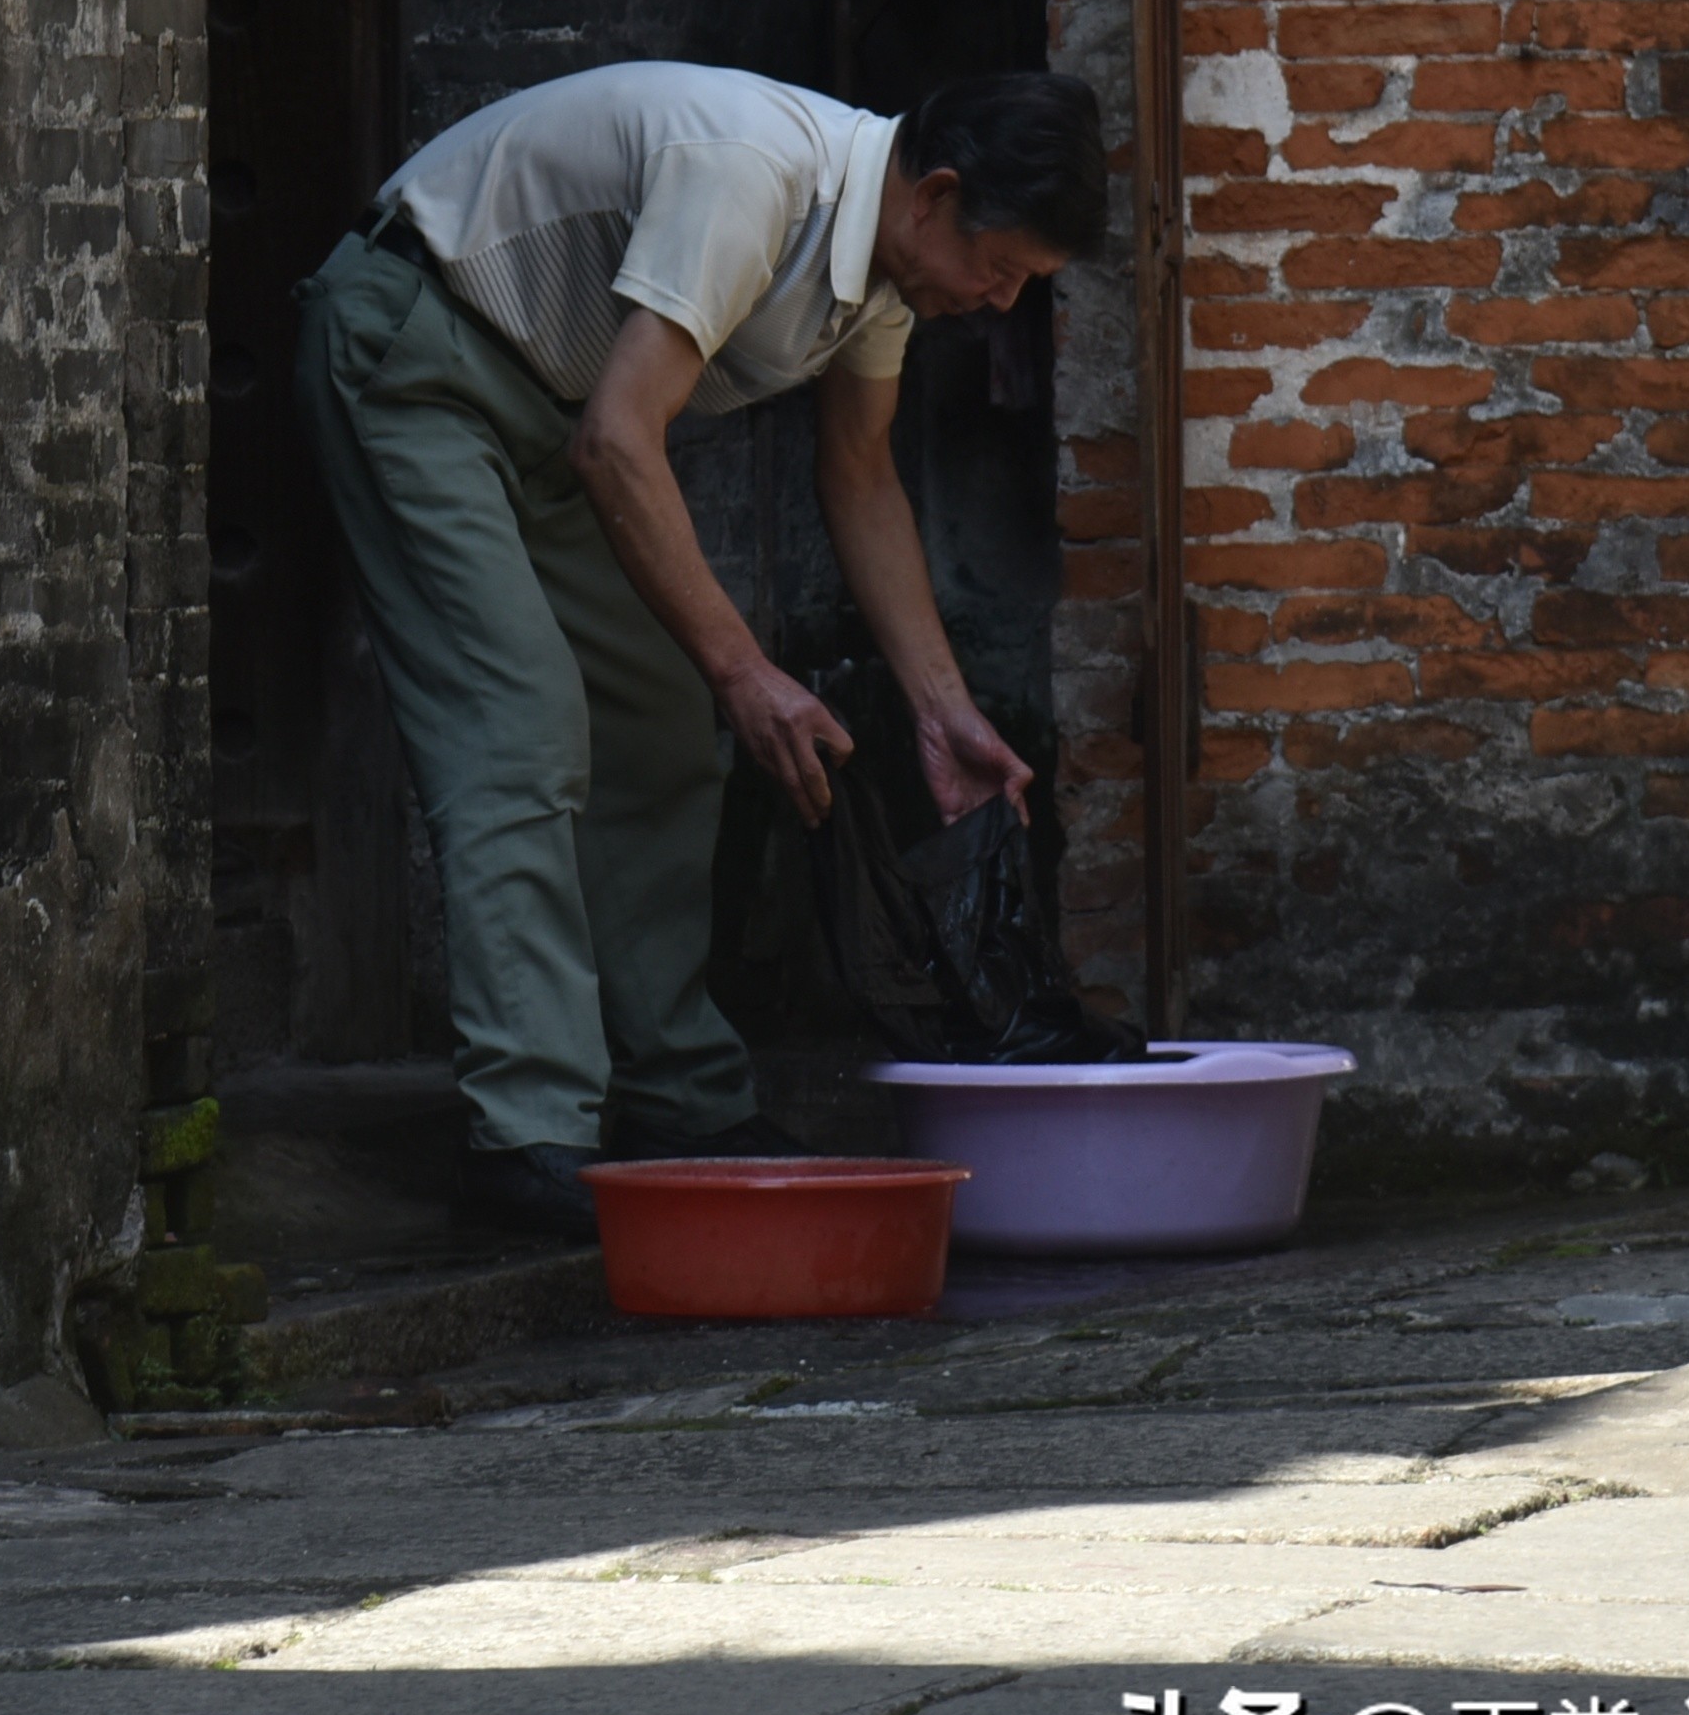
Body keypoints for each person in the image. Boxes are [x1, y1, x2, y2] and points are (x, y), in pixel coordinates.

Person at [296, 61, 1109, 1238]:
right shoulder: (751, 176)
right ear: (935, 193)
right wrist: (746, 670)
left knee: (664, 724)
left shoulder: (886, 268)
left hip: (549, 408)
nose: (996, 302)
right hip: (419, 354)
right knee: (521, 727)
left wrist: (943, 708)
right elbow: (621, 444)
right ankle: (530, 1128)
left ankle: (680, 1099)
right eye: (1001, 271)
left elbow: (861, 472)